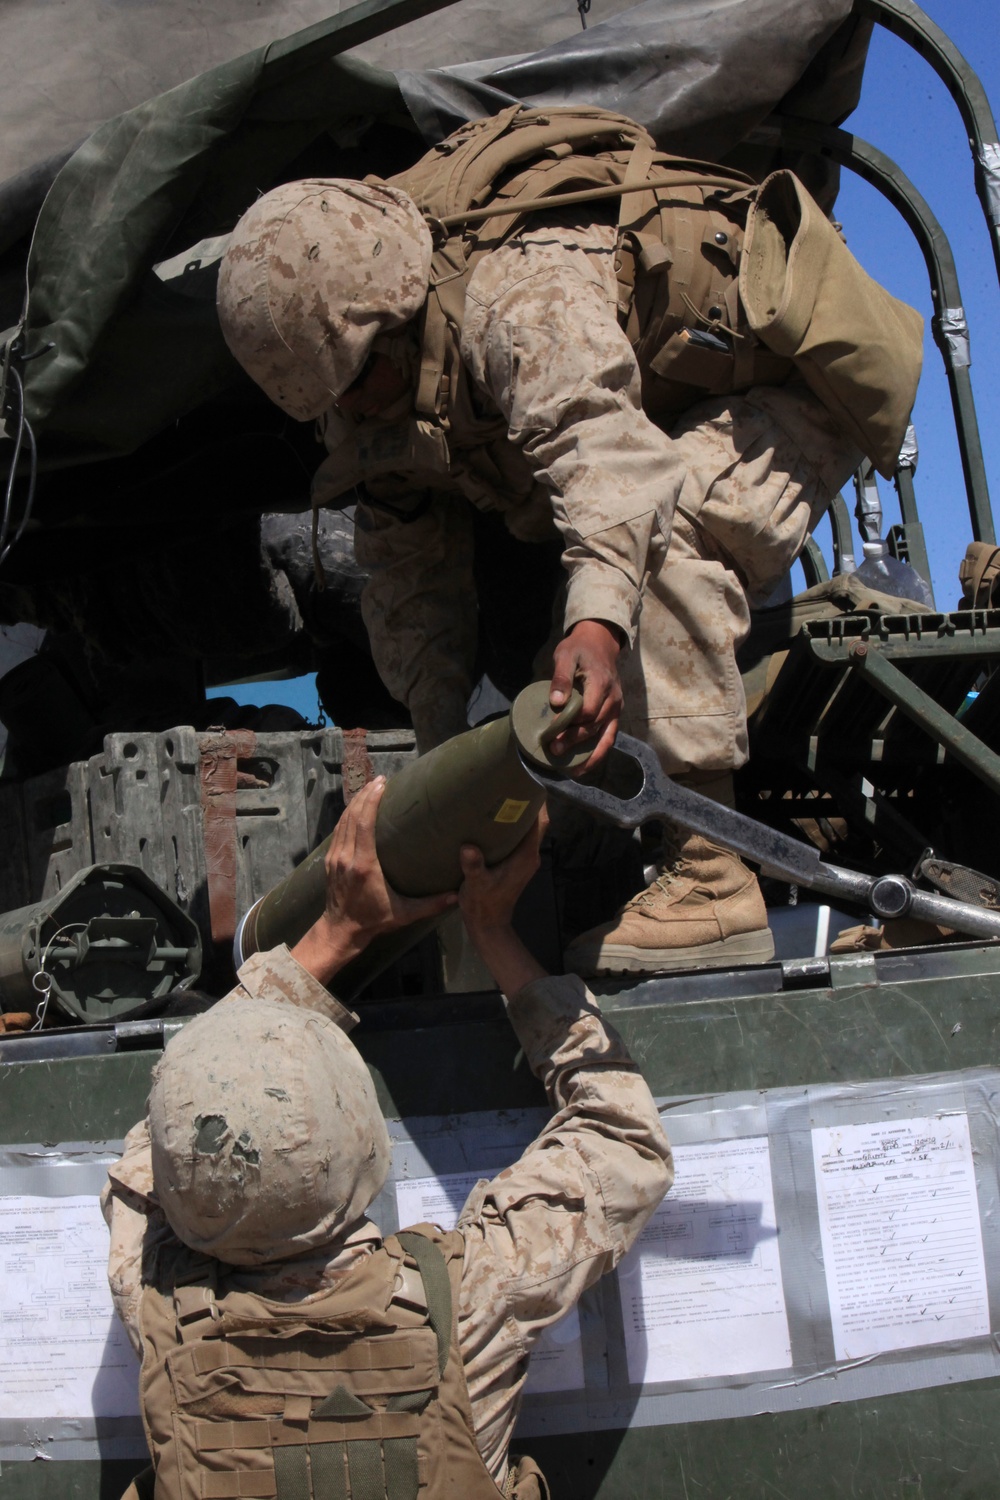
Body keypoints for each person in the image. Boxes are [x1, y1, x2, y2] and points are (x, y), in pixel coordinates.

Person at [215, 106, 922, 977]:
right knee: (582, 597)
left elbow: (616, 472)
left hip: (791, 387)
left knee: (653, 542)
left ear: (396, 315)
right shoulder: (356, 377)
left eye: (361, 381)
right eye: (334, 399)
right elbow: (408, 574)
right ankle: (619, 846)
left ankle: (710, 879)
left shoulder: (523, 300)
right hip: (652, 415)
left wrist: (595, 626)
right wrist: (443, 770)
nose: (352, 410)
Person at [102, 778, 673, 1499]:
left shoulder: (153, 1300)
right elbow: (622, 1138)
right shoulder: (472, 1302)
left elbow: (176, 1118)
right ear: (364, 1140)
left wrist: (333, 935)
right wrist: (494, 933)